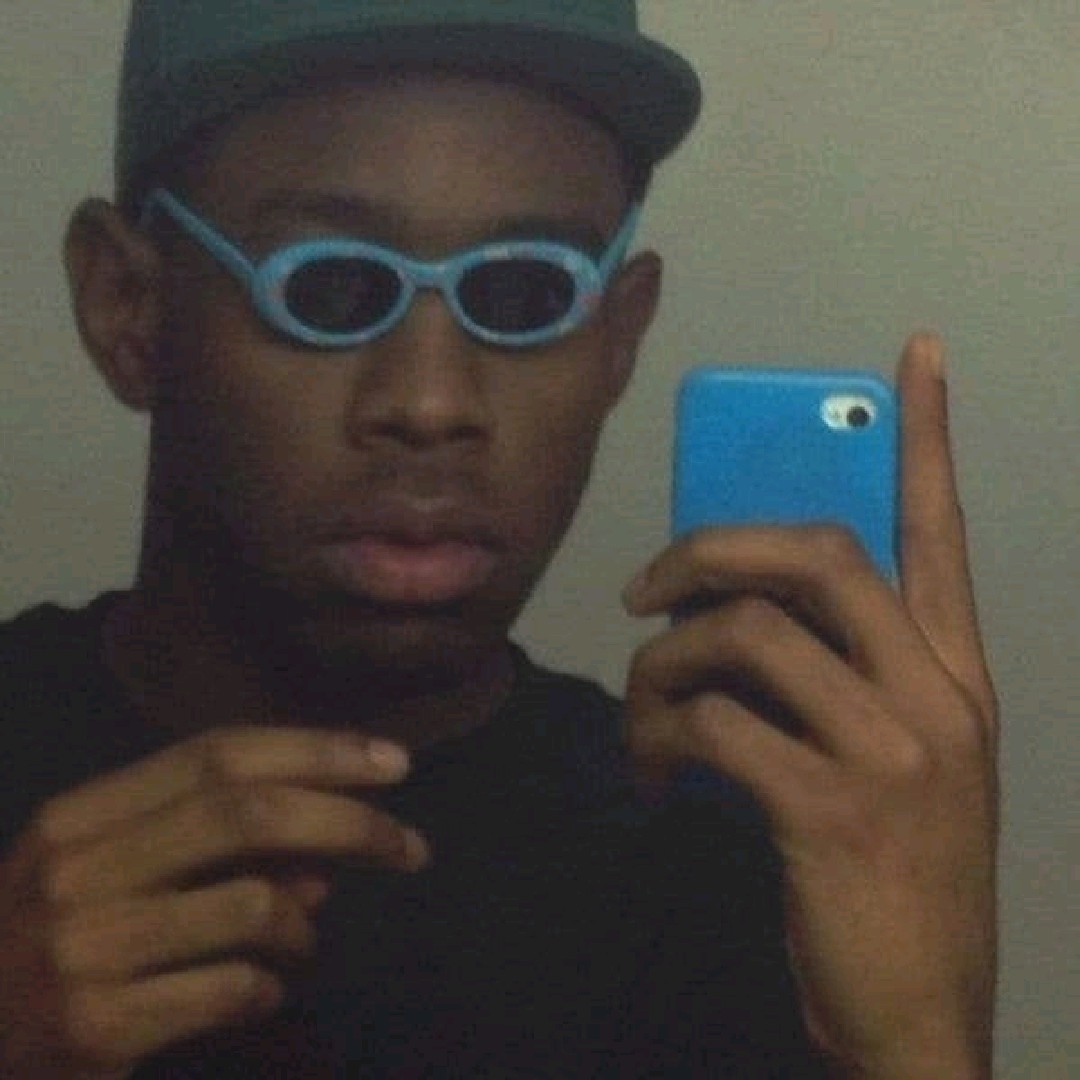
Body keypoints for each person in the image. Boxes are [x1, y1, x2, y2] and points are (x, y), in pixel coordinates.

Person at [0, 1, 999, 1077]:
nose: (432, 403)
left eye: (526, 293)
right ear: (128, 306)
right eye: (331, 286)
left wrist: (922, 1039)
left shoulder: (762, 868)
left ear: (617, 338)